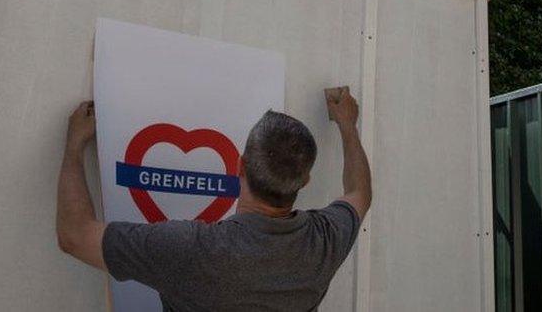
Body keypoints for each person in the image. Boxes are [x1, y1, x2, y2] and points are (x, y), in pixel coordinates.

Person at [56, 88, 371, 311]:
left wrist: (74, 146)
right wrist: (347, 125)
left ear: (239, 166)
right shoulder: (325, 239)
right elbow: (360, 193)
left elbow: (74, 235)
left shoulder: (190, 249)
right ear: (305, 181)